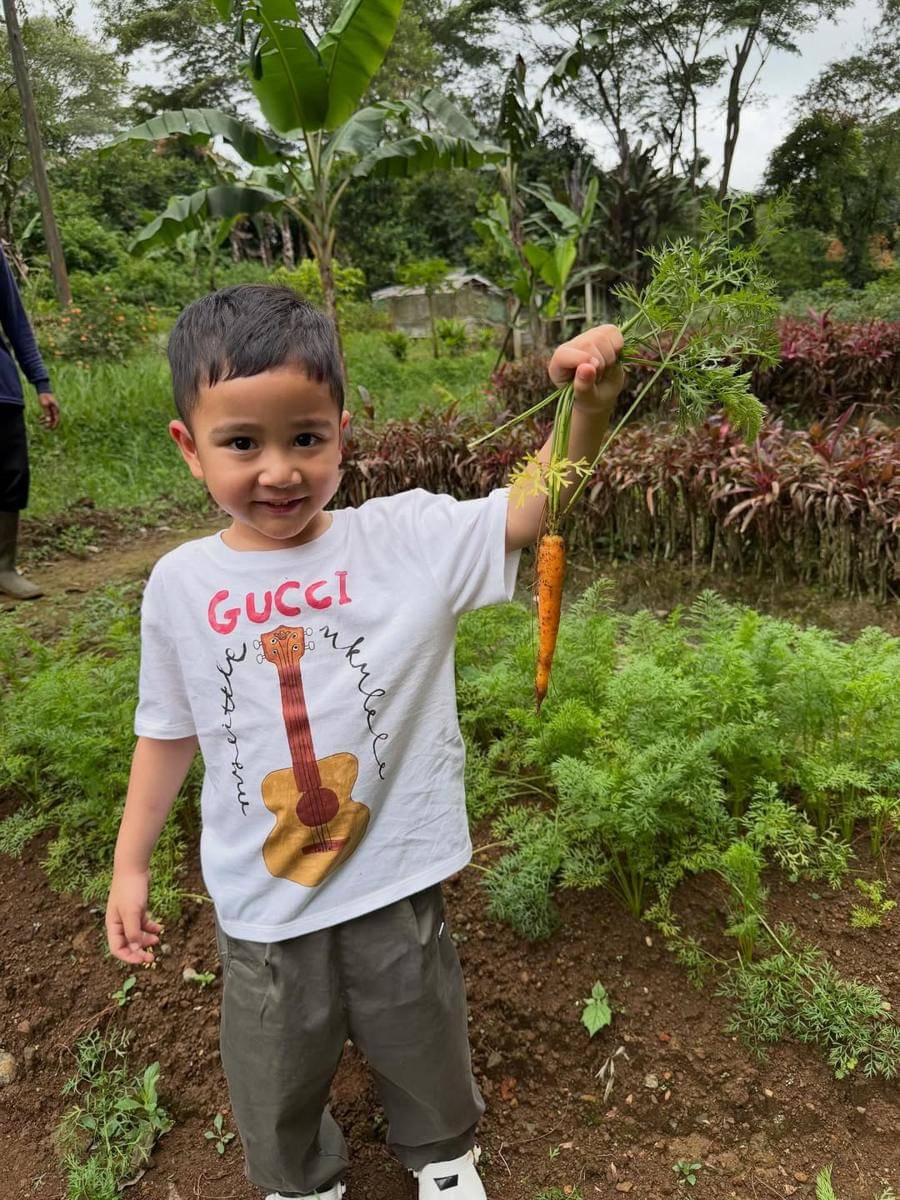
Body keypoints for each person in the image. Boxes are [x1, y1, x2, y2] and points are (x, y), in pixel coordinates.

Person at [104, 284, 625, 1200]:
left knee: (420, 1024)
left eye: (306, 437)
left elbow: (530, 510)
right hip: (264, 894)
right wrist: (130, 864)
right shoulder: (181, 585)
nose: (280, 470)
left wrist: (587, 408)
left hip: (392, 868)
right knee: (273, 1057)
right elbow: (167, 731)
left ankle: (444, 1157)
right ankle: (299, 1179)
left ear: (343, 433)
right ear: (189, 447)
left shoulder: (404, 539)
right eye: (242, 443)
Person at [0, 243, 59, 600]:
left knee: (11, 475)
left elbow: (15, 320)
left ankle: (4, 568)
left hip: (2, 391)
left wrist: (41, 382)